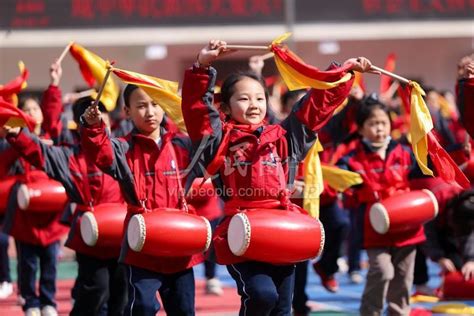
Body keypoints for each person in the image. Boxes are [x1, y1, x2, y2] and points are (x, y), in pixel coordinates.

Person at [181, 39, 373, 315]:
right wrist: (202, 66)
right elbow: (197, 110)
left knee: (283, 307)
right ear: (226, 106)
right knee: (261, 296)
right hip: (242, 233)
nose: (254, 104)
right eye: (243, 98)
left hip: (282, 231)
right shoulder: (219, 139)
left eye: (259, 98)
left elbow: (316, 106)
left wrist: (343, 73)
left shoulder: (284, 138)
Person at [80, 84, 203, 315]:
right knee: (143, 307)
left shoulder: (182, 145)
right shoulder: (122, 148)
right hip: (142, 245)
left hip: (180, 244)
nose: (150, 112)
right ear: (127, 111)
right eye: (141, 106)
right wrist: (93, 127)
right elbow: (101, 154)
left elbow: (207, 131)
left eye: (156, 104)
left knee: (184, 309)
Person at [5, 95, 128, 316]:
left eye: (103, 122)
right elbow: (42, 153)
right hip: (90, 237)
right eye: (92, 122)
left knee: (121, 295)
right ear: (81, 126)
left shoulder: (122, 150)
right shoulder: (71, 156)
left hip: (122, 238)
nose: (99, 127)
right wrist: (19, 136)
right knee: (95, 290)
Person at [337, 98, 426, 315]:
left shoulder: (406, 153)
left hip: (407, 228)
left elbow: (424, 175)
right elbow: (344, 188)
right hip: (375, 229)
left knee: (404, 277)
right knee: (382, 271)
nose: (379, 128)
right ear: (360, 129)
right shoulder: (351, 160)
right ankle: (370, 312)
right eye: (373, 123)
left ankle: (399, 312)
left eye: (383, 123)